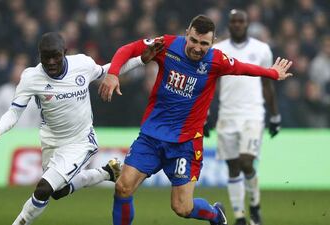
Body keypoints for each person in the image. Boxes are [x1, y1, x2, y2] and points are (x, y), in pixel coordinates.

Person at [98, 15, 292, 225]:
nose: (198, 48)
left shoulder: (217, 60)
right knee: (123, 187)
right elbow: (128, 49)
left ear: (213, 42)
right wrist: (113, 74)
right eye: (194, 41)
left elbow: (244, 68)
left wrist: (272, 72)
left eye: (204, 44)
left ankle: (216, 214)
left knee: (182, 207)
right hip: (151, 137)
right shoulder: (168, 44)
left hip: (185, 143)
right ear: (187, 34)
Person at [0, 32, 156, 225]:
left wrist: (140, 60)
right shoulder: (31, 77)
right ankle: (107, 172)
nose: (52, 61)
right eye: (46, 57)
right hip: (51, 141)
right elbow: (14, 112)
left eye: (56, 56)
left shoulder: (82, 64)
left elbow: (108, 70)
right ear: (39, 56)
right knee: (58, 192)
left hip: (80, 141)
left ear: (65, 52)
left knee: (43, 189)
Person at [212, 10, 280, 225]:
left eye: (241, 21)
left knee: (246, 161)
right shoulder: (218, 50)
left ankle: (255, 205)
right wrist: (204, 115)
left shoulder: (261, 50)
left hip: (253, 114)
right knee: (233, 167)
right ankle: (240, 217)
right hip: (227, 115)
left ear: (248, 24)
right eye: (234, 21)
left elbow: (267, 84)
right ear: (229, 24)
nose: (238, 24)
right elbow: (210, 86)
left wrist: (275, 115)